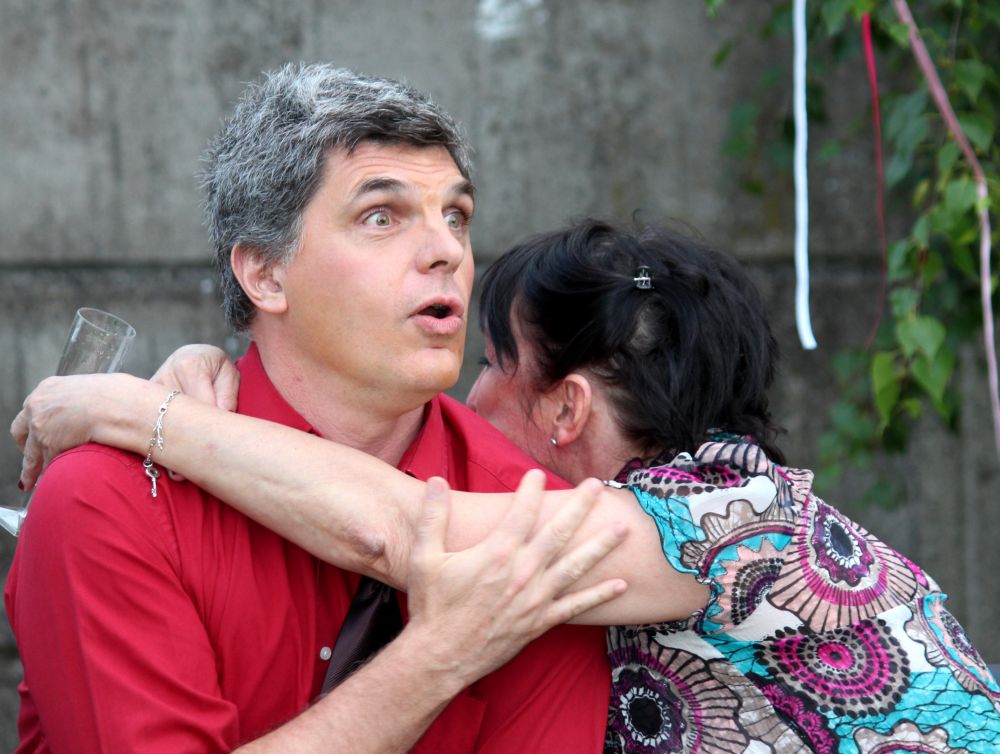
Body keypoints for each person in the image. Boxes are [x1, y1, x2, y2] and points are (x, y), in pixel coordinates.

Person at [16, 218, 1000, 752]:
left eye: (491, 363)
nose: (465, 392)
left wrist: (135, 414)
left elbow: (397, 525)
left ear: (567, 409)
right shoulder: (715, 512)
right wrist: (212, 363)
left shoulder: (723, 520)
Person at [3, 63, 647, 753]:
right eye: (381, 216)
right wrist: (437, 659)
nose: (446, 252)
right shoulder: (110, 499)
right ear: (265, 274)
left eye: (456, 216)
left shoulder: (529, 520)